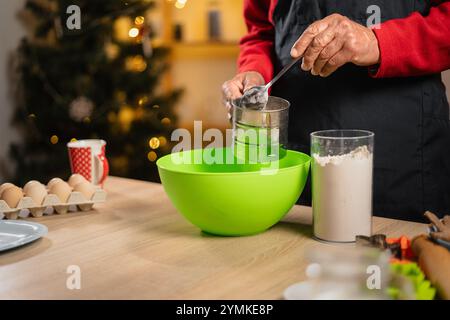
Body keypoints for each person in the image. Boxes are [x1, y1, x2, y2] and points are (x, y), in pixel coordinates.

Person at [222, 0, 450, 222]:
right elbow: (261, 31)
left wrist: (375, 41)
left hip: (403, 157)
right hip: (296, 160)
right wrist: (254, 70)